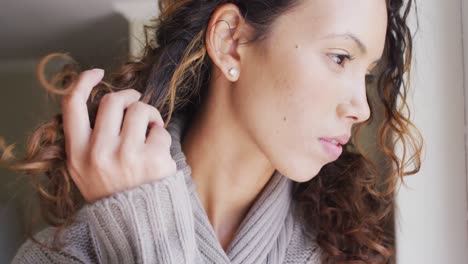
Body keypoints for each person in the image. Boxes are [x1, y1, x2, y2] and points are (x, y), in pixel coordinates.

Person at [1, 0, 423, 263]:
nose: (361, 108)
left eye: (366, 75)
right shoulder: (57, 258)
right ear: (231, 40)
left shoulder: (345, 255)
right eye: (339, 57)